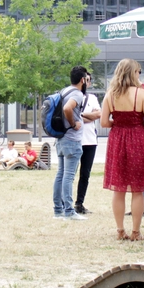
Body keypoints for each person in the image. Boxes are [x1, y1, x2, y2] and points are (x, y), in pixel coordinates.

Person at [101, 58, 144, 241]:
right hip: (138, 139)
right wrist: (136, 121)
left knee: (119, 188)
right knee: (138, 189)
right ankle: (136, 231)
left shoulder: (110, 95)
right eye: (138, 71)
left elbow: (103, 122)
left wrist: (117, 122)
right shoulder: (141, 94)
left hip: (117, 139)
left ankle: (119, 230)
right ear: (133, 73)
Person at [53, 66, 90, 221]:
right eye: (86, 79)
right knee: (68, 176)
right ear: (82, 80)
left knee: (60, 174)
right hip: (71, 139)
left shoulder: (64, 91)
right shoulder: (77, 94)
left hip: (61, 138)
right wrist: (74, 123)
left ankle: (58, 210)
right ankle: (69, 211)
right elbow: (68, 108)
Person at [74, 73, 101, 215]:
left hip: (90, 141)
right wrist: (88, 116)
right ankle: (65, 203)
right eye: (85, 80)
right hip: (75, 139)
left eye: (89, 80)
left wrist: (80, 115)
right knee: (70, 173)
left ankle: (79, 203)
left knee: (85, 174)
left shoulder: (93, 98)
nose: (87, 83)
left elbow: (98, 115)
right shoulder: (72, 98)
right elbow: (71, 117)